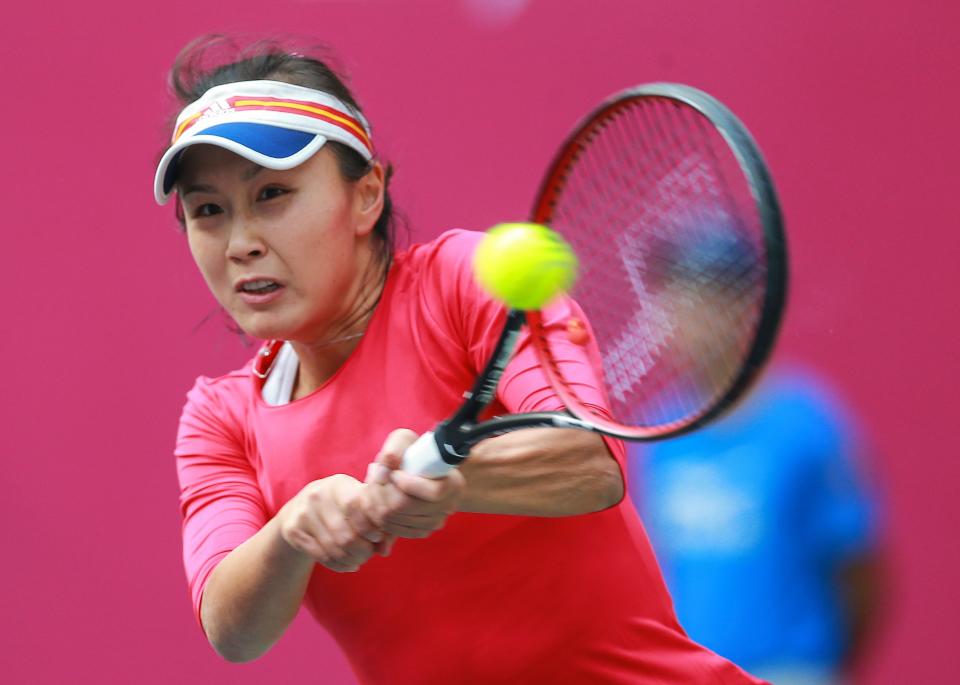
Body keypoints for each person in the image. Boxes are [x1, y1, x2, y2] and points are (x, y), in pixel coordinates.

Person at [157, 36, 769, 684]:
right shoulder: (220, 419)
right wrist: (291, 532)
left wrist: (452, 482)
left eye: (272, 194)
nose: (241, 242)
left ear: (366, 195)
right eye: (208, 211)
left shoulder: (466, 283)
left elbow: (591, 462)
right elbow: (232, 628)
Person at [630, 367, 885, 685]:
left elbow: (856, 568)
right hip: (691, 675)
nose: (701, 326)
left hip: (791, 672)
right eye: (683, 314)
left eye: (720, 313)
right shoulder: (658, 433)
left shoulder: (806, 425)